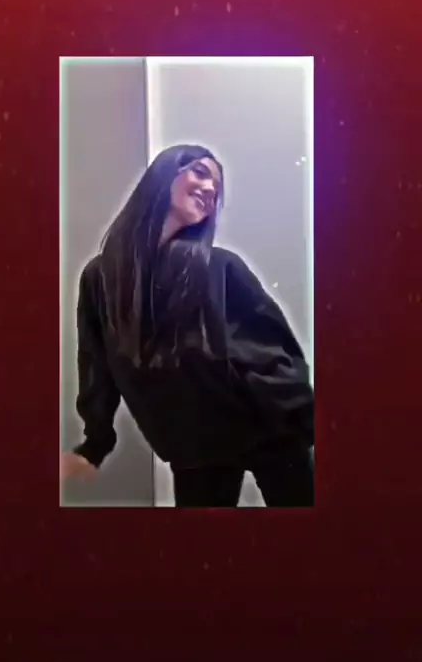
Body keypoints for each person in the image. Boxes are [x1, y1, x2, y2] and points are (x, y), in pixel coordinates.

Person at [61, 144, 314, 508]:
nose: (210, 189)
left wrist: (301, 418)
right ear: (165, 175)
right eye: (200, 172)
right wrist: (95, 444)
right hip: (193, 445)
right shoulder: (101, 279)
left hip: (270, 429)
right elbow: (97, 364)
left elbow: (275, 349)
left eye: (217, 186)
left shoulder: (220, 267)